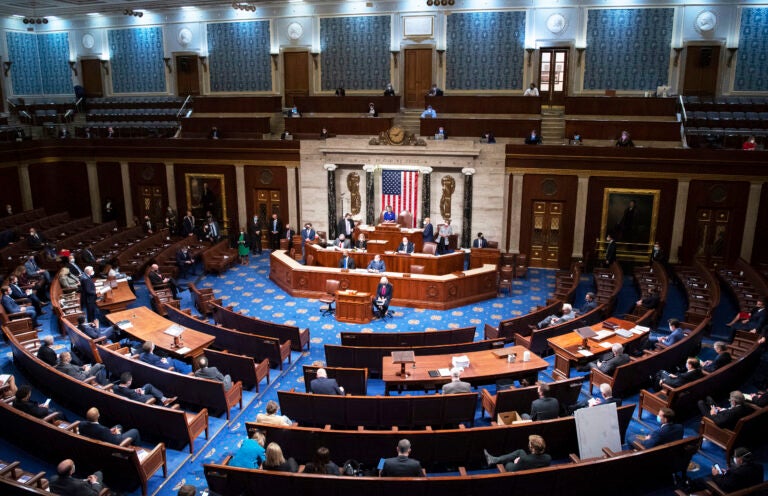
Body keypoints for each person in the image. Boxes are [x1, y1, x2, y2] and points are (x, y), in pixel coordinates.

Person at [484, 434, 551, 472]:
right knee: (520, 451)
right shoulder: (548, 458)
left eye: (530, 443)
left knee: (508, 461)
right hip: (530, 469)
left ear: (532, 447)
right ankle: (495, 459)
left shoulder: (525, 459)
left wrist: (516, 462)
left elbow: (513, 469)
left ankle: (495, 460)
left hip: (521, 476)